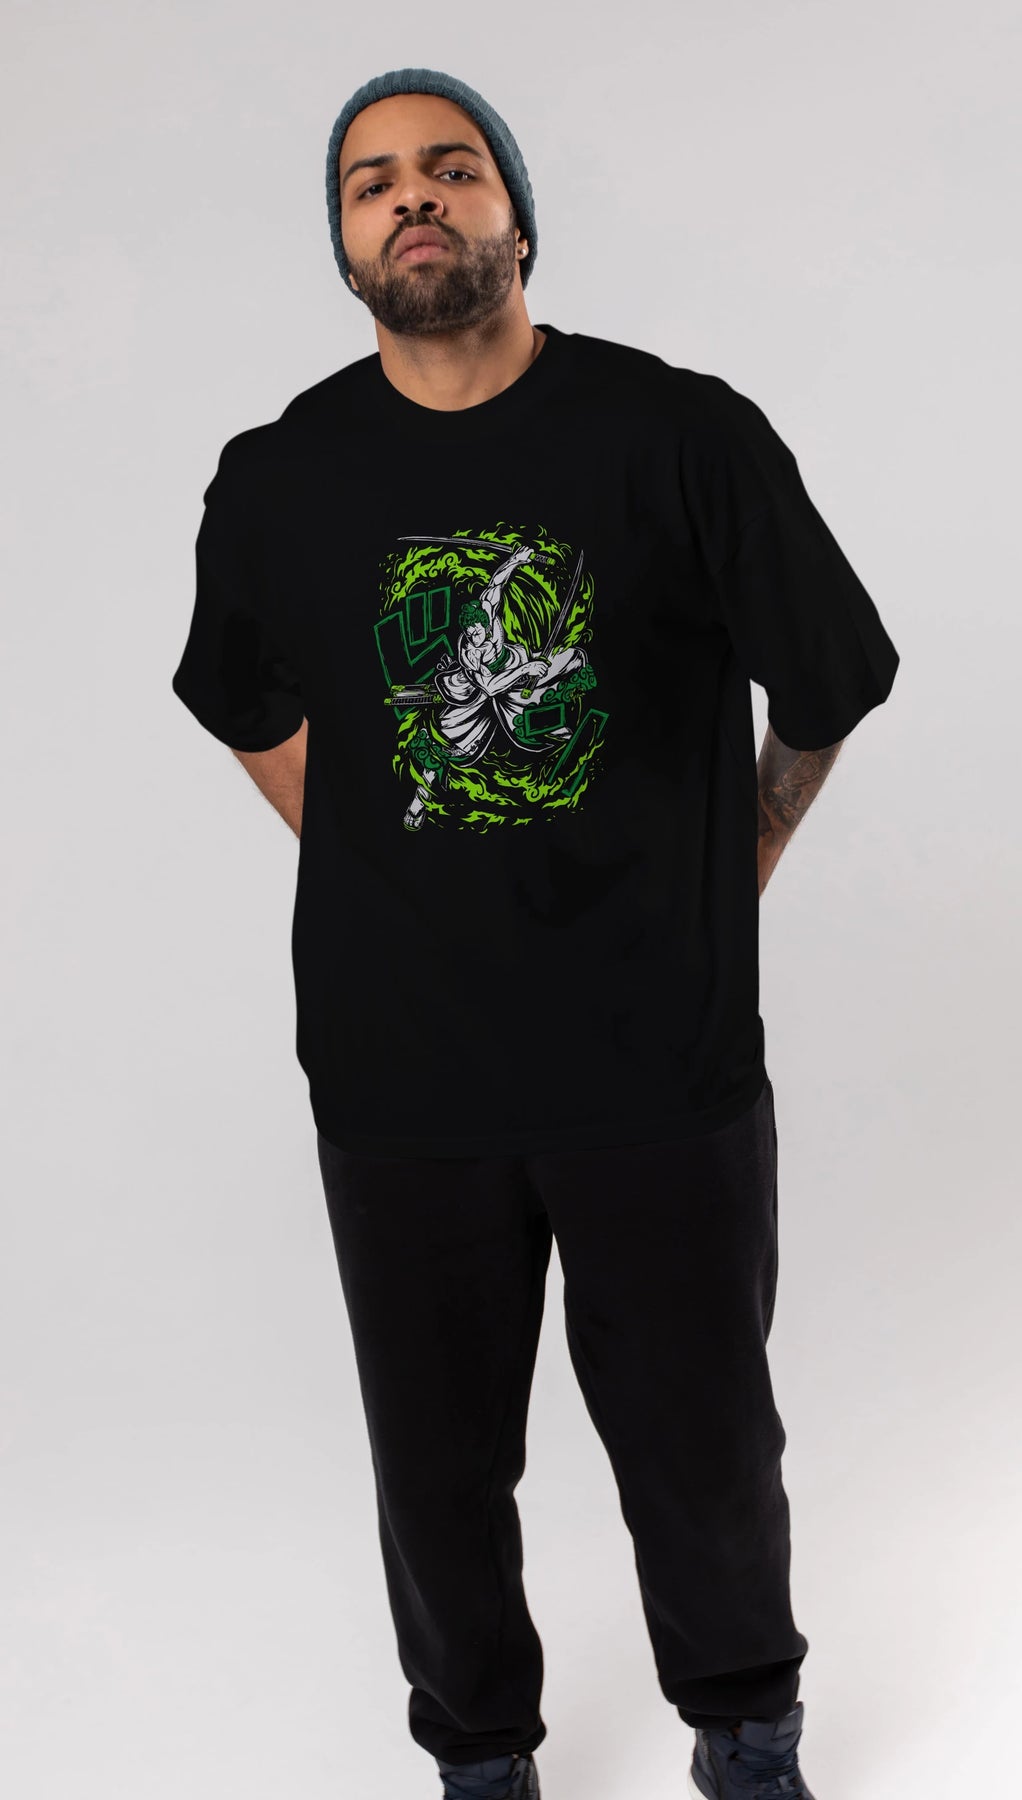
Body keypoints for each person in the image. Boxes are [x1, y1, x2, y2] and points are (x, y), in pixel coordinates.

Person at [170, 65, 900, 1800]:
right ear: (345, 244)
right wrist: (380, 855)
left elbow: (828, 677)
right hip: (401, 1071)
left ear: (516, 215)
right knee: (435, 1468)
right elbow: (245, 702)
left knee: (704, 1442)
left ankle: (747, 1731)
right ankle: (481, 1758)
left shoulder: (681, 436)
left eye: (452, 167)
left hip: (660, 1057)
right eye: (372, 183)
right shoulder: (279, 477)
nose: (413, 197)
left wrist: (745, 854)